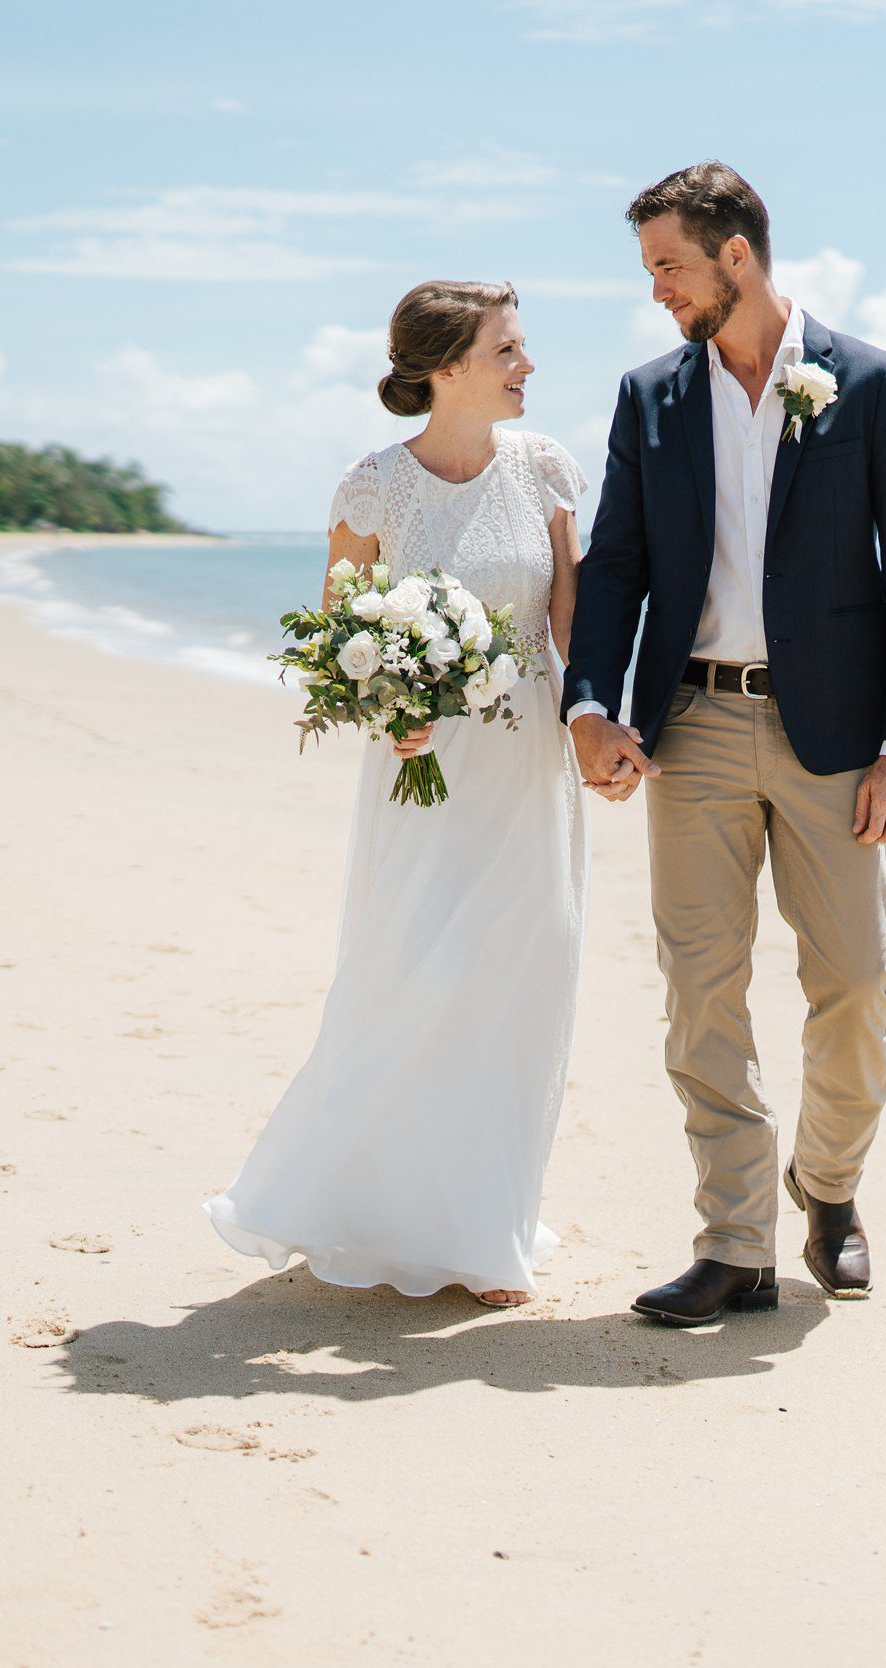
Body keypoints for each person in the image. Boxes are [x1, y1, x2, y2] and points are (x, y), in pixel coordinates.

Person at [563, 163, 886, 1326]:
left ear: (735, 256)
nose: (656, 292)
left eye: (667, 266)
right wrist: (593, 703)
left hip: (833, 738)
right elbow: (618, 559)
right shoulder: (650, 396)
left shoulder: (869, 383)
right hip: (689, 723)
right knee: (702, 990)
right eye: (649, 272)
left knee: (854, 984)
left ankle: (827, 1194)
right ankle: (733, 1243)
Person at [205, 281, 589, 1309]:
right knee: (415, 976)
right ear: (447, 365)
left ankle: (487, 1226)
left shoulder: (545, 470)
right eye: (508, 349)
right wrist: (388, 711)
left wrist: (603, 727)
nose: (527, 365)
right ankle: (368, 1201)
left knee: (521, 978)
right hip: (421, 774)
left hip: (524, 768)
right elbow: (340, 640)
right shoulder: (372, 488)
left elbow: (571, 625)